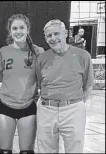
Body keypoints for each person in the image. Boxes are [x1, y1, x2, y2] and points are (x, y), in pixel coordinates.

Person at [35, 19, 94, 153]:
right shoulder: (41, 59)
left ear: (65, 33)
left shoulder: (83, 56)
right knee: (46, 150)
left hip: (73, 110)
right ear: (45, 38)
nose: (53, 38)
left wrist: (73, 104)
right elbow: (40, 84)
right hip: (46, 110)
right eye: (49, 36)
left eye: (56, 34)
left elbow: (88, 85)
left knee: (74, 150)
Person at [0, 14, 44, 154]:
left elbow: (42, 78)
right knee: (3, 151)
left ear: (28, 29)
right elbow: (0, 76)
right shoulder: (3, 51)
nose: (18, 31)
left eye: (22, 27)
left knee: (27, 152)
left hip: (28, 107)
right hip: (5, 106)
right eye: (15, 28)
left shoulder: (38, 52)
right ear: (10, 31)